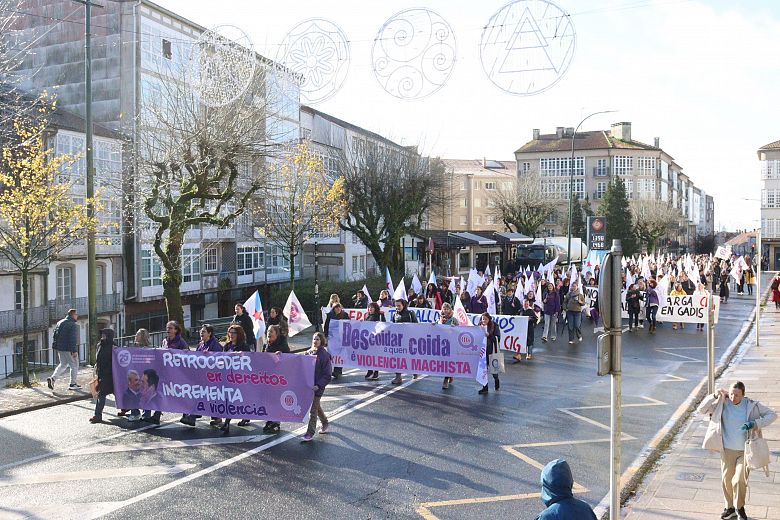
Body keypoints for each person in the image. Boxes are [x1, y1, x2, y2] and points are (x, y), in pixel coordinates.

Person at [697, 381, 777, 520]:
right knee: (727, 480)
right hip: (727, 449)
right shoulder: (722, 402)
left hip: (745, 451)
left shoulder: (751, 405)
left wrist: (755, 423)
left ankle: (740, 508)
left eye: (737, 395)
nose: (733, 398)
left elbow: (772, 415)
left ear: (743, 395)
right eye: (731, 394)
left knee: (739, 480)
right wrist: (714, 395)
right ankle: (730, 508)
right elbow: (701, 409)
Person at [180, 325, 222, 427]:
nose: (201, 333)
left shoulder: (215, 345)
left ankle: (193, 416)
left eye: (204, 331)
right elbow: (196, 358)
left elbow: (219, 359)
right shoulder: (200, 345)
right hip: (201, 375)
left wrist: (210, 355)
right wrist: (187, 354)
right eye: (201, 331)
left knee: (202, 395)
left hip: (212, 376)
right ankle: (192, 415)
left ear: (209, 333)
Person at [219, 324, 252, 434]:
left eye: (234, 333)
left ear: (239, 334)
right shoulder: (227, 346)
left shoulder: (244, 346)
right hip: (227, 377)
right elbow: (221, 359)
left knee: (239, 399)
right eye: (230, 332)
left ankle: (242, 417)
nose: (231, 335)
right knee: (229, 400)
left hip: (239, 378)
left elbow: (249, 361)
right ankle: (227, 422)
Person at [302, 332, 332, 442]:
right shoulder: (308, 353)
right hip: (308, 386)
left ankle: (310, 432)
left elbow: (327, 375)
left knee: (313, 410)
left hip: (317, 387)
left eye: (317, 339)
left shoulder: (324, 356)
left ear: (322, 341)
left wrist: (319, 385)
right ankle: (325, 422)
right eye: (314, 339)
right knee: (316, 407)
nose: (315, 341)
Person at [261, 324, 290, 434]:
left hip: (278, 379)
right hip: (267, 378)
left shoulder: (283, 346)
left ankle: (276, 423)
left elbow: (289, 359)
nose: (269, 333)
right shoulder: (266, 345)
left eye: (271, 331)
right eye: (268, 331)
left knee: (276, 400)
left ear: (276, 334)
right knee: (268, 400)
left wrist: (282, 355)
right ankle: (269, 420)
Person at [118, 328, 150, 420]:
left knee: (144, 393)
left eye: (138, 334)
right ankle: (135, 413)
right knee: (133, 393)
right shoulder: (133, 347)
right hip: (135, 373)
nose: (136, 336)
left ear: (143, 336)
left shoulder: (148, 348)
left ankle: (146, 414)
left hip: (143, 374)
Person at [46, 309, 81, 391]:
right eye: (76, 314)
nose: (77, 316)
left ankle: (52, 379)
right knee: (74, 365)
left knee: (63, 364)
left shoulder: (60, 322)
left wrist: (56, 345)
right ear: (73, 315)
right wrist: (74, 350)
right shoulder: (72, 325)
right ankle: (73, 384)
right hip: (68, 348)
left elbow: (55, 335)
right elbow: (72, 339)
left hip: (60, 348)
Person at [89, 328, 116, 424]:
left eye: (104, 334)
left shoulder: (113, 346)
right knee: (106, 393)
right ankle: (98, 415)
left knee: (102, 394)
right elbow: (98, 359)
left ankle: (97, 415)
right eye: (102, 334)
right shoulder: (99, 345)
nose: (102, 336)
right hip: (101, 373)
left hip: (110, 374)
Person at [391, 299, 418, 385]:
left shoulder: (410, 313)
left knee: (409, 357)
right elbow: (391, 326)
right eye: (396, 306)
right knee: (397, 358)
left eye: (399, 305)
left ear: (403, 305)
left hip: (409, 339)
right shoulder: (395, 315)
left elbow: (417, 325)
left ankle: (414, 370)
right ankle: (398, 377)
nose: (397, 307)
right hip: (398, 340)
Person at [324, 303, 349, 379]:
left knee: (340, 353)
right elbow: (326, 326)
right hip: (333, 338)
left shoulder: (345, 315)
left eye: (339, 307)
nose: (338, 309)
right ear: (334, 309)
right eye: (336, 308)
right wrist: (326, 336)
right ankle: (332, 369)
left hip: (341, 337)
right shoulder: (330, 315)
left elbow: (349, 324)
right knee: (332, 353)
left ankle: (338, 370)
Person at [478, 313, 501, 394]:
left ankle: (496, 381)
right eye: (483, 319)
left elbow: (497, 338)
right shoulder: (479, 326)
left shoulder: (494, 326)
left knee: (494, 370)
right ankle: (485, 387)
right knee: (483, 370)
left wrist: (489, 335)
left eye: (485, 319)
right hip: (482, 352)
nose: (484, 321)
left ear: (489, 319)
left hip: (491, 351)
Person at [438, 303, 458, 389]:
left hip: (451, 343)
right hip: (442, 343)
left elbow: (459, 330)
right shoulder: (440, 318)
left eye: (447, 309)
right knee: (443, 362)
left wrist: (455, 327)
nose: (445, 310)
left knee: (448, 361)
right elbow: (437, 328)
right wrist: (434, 325)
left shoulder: (454, 320)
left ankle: (445, 380)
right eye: (444, 309)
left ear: (450, 310)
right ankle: (450, 374)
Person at [363, 302, 385, 380]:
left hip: (376, 339)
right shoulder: (367, 316)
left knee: (375, 356)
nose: (370, 309)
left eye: (372, 307)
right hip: (368, 338)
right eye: (369, 307)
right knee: (369, 356)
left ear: (375, 308)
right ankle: (370, 370)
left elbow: (384, 325)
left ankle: (376, 372)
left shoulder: (379, 315)